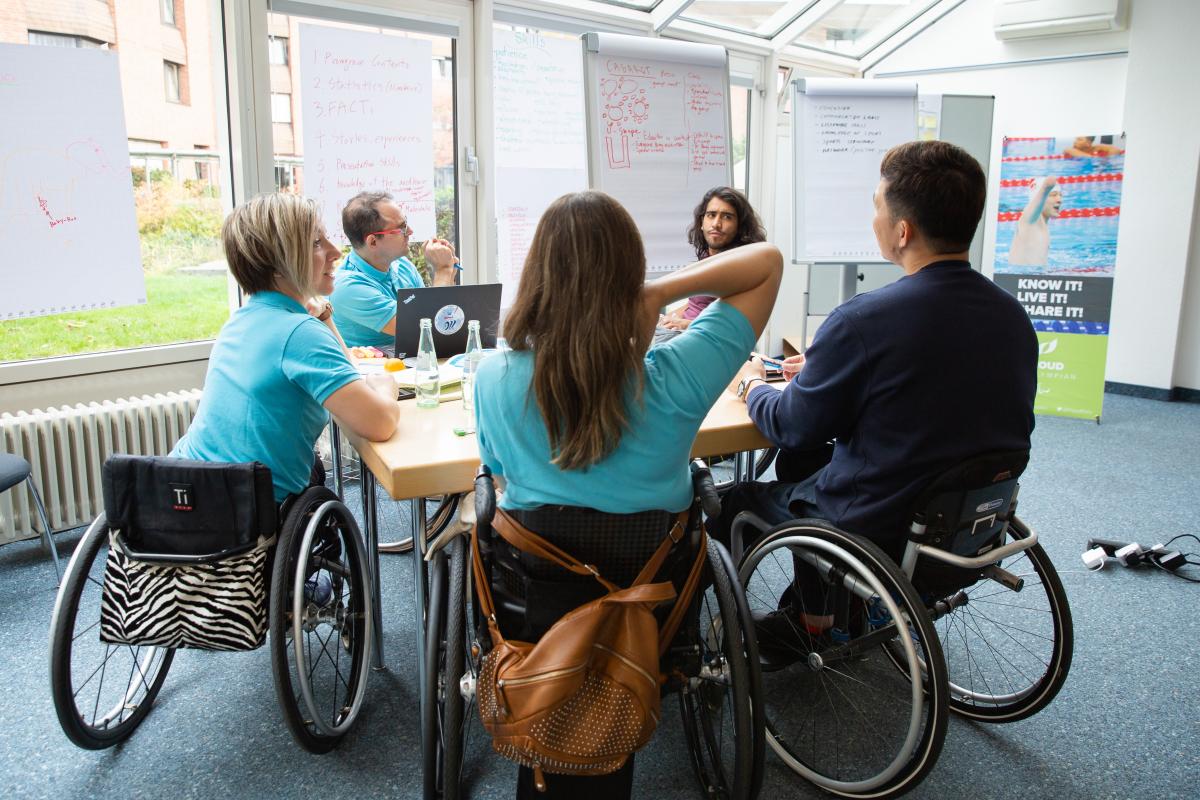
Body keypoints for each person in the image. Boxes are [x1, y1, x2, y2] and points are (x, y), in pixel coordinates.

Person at [474, 190, 781, 798]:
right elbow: (766, 262)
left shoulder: (496, 377)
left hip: (538, 611)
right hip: (652, 611)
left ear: (538, 274)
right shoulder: (678, 376)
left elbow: (500, 472)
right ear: (630, 276)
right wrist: (658, 295)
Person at [713, 140, 1036, 641]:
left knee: (733, 501)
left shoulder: (865, 319)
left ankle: (743, 636)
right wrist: (826, 372)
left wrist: (752, 383)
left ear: (902, 231)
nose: (874, 219)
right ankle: (818, 615)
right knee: (802, 463)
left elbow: (792, 425)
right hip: (963, 516)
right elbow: (936, 389)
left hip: (877, 519)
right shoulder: (1013, 317)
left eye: (876, 206)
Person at [171, 193, 400, 503]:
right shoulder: (298, 334)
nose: (335, 252)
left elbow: (345, 369)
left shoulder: (245, 319)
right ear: (279, 263)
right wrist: (387, 388)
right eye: (317, 243)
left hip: (185, 486)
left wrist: (324, 314)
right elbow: (380, 423)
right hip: (244, 505)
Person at [329, 190, 461, 349]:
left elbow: (440, 316)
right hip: (373, 371)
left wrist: (449, 271)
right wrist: (443, 271)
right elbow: (427, 329)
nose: (410, 231)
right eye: (402, 228)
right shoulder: (348, 288)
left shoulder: (402, 265)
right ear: (373, 242)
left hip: (407, 363)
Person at [658, 186, 767, 333]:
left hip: (706, 340)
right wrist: (665, 320)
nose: (716, 224)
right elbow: (695, 304)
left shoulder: (738, 267)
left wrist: (684, 324)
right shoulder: (707, 255)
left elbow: (729, 327)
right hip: (684, 334)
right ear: (702, 222)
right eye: (711, 215)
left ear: (739, 226)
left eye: (727, 216)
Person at [1008, 175, 1061, 268]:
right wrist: (1046, 187)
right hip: (1020, 276)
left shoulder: (1043, 225)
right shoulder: (1029, 219)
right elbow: (1046, 186)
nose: (1059, 200)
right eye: (1053, 195)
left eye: (1060, 195)